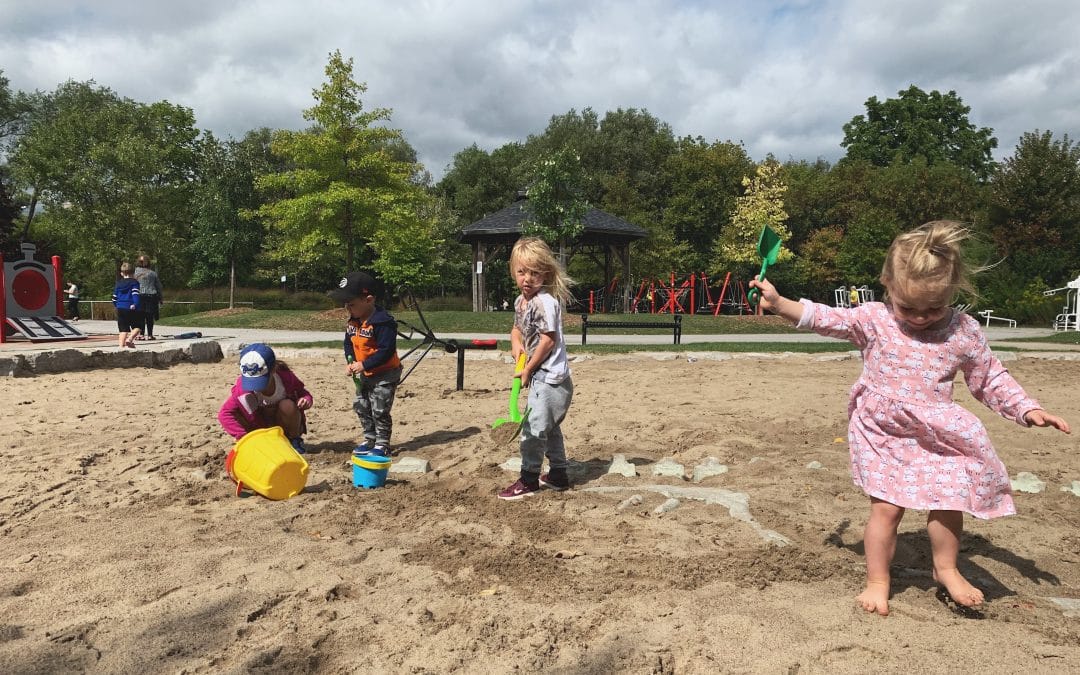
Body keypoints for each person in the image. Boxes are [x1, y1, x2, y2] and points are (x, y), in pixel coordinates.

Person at [749, 220, 1071, 616]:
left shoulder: (963, 331)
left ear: (952, 292)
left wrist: (1026, 408)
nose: (920, 317)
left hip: (938, 430)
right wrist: (779, 304)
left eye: (934, 308)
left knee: (950, 497)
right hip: (883, 431)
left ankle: (946, 568)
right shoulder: (874, 319)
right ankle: (878, 580)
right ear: (888, 284)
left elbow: (989, 378)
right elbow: (825, 318)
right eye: (909, 307)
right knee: (887, 508)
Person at [498, 237, 575, 500]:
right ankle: (558, 474)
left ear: (545, 273)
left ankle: (529, 479)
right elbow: (517, 329)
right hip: (542, 377)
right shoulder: (522, 301)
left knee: (533, 429)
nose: (527, 279)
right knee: (549, 427)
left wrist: (529, 367)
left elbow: (548, 340)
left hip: (552, 380)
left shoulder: (545, 302)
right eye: (521, 272)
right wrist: (516, 344)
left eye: (534, 272)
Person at [328, 271, 402, 458]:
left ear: (368, 300)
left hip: (385, 373)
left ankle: (383, 443)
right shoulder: (353, 321)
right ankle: (370, 438)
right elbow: (348, 343)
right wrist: (351, 362)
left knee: (380, 408)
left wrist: (365, 365)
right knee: (361, 405)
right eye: (346, 305)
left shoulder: (382, 323)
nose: (347, 309)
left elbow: (386, 351)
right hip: (363, 372)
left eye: (351, 304)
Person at [218, 343, 313, 453]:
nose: (256, 388)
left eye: (260, 382)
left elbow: (302, 392)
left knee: (287, 405)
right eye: (251, 382)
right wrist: (243, 437)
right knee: (238, 406)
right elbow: (224, 414)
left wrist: (306, 399)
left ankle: (293, 440)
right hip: (259, 428)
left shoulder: (285, 379)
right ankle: (259, 443)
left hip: (283, 424)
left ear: (273, 370)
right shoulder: (242, 391)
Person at [133, 255, 164, 340]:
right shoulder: (153, 273)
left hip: (139, 296)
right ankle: (150, 335)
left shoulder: (135, 273)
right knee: (149, 316)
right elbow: (159, 287)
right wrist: (161, 298)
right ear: (149, 263)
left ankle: (141, 335)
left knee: (141, 316)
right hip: (151, 296)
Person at [112, 262, 142, 348]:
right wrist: (135, 304)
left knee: (123, 329)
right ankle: (130, 339)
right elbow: (135, 294)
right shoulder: (134, 283)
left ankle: (121, 347)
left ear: (122, 273)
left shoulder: (118, 284)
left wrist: (116, 305)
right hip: (131, 307)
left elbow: (114, 298)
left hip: (120, 307)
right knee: (138, 326)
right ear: (133, 273)